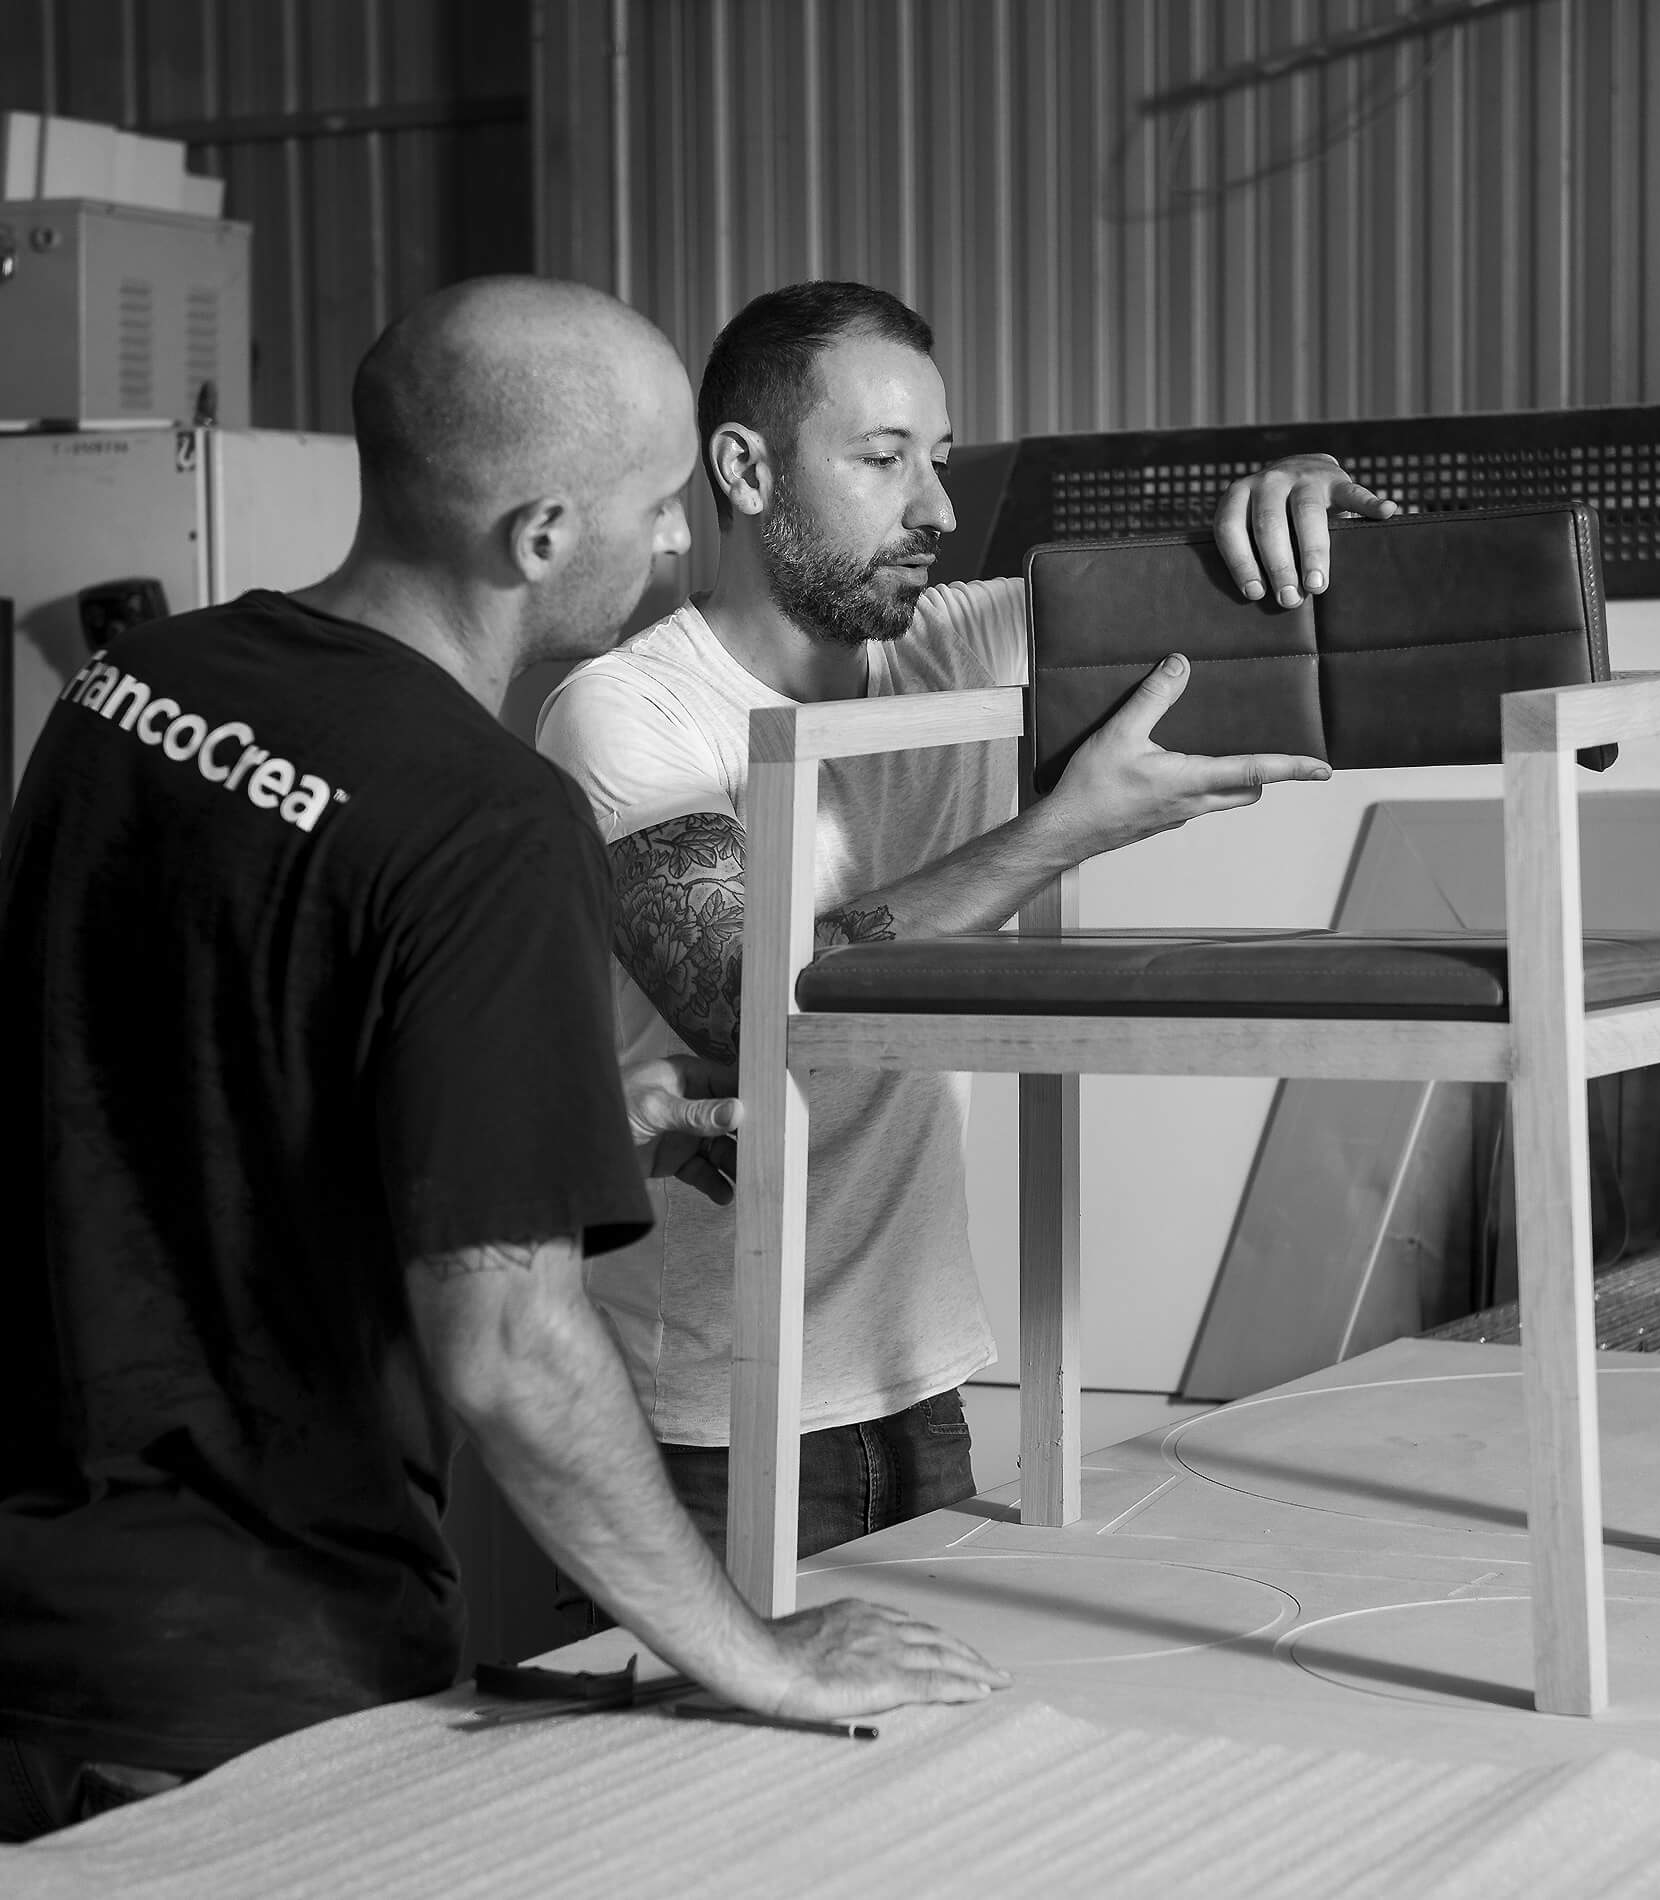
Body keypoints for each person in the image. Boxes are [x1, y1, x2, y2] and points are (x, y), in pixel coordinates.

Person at [0, 277, 1006, 1845]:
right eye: (659, 508)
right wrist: (759, 1655)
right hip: (255, 1679)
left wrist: (558, 1121)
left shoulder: (128, 696)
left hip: (40, 1608)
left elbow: (176, 1083)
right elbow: (510, 1352)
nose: (680, 544)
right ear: (540, 537)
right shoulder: (484, 818)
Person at [536, 279, 1397, 1562]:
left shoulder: (965, 641)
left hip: (922, 1387)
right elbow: (746, 995)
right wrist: (1059, 830)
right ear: (745, 470)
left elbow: (1321, 608)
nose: (935, 509)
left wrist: (1319, 501)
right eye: (883, 460)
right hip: (705, 1414)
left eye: (935, 462)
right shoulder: (629, 712)